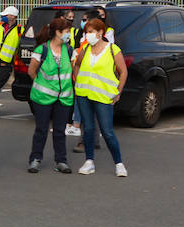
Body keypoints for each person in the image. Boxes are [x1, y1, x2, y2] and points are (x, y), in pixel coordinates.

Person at [71, 16, 128, 177]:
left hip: (103, 97)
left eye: (91, 32)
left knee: (107, 131)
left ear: (100, 32)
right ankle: (89, 161)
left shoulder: (112, 49)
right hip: (84, 95)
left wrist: (118, 91)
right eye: (86, 32)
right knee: (88, 129)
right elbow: (76, 65)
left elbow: (123, 71)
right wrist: (77, 83)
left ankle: (119, 163)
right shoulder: (85, 49)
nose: (87, 35)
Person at [26, 14, 75, 174]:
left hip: (64, 98)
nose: (69, 34)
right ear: (57, 32)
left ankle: (61, 161)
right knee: (41, 129)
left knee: (60, 130)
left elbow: (74, 72)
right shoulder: (42, 50)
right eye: (67, 31)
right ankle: (35, 159)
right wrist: (41, 84)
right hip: (43, 98)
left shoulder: (69, 50)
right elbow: (31, 71)